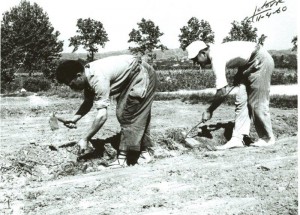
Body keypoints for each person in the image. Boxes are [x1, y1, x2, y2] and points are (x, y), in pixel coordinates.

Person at [55, 55, 157, 167]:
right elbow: (88, 102)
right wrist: (74, 119)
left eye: (70, 83)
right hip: (132, 75)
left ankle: (126, 159)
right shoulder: (88, 76)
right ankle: (143, 152)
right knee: (132, 113)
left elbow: (102, 116)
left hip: (141, 74)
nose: (71, 87)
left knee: (127, 114)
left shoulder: (98, 78)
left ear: (78, 75)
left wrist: (85, 138)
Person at [186, 40, 275, 150]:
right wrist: (240, 73)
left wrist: (210, 110)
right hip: (248, 64)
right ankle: (238, 138)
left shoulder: (216, 57)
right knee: (241, 100)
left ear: (203, 53)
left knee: (257, 102)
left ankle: (267, 138)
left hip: (260, 60)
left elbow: (222, 91)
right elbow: (242, 57)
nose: (196, 63)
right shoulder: (215, 50)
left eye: (196, 60)